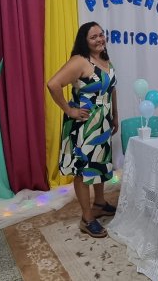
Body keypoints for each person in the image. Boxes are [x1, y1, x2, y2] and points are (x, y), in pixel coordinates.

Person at [47, 21, 119, 238]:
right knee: (83, 170)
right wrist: (69, 110)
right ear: (84, 41)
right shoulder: (80, 61)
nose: (99, 39)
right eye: (93, 37)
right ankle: (87, 219)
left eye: (101, 35)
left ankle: (99, 203)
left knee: (99, 164)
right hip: (84, 126)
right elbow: (53, 84)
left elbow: (111, 89)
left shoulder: (104, 59)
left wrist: (115, 115)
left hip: (103, 123)